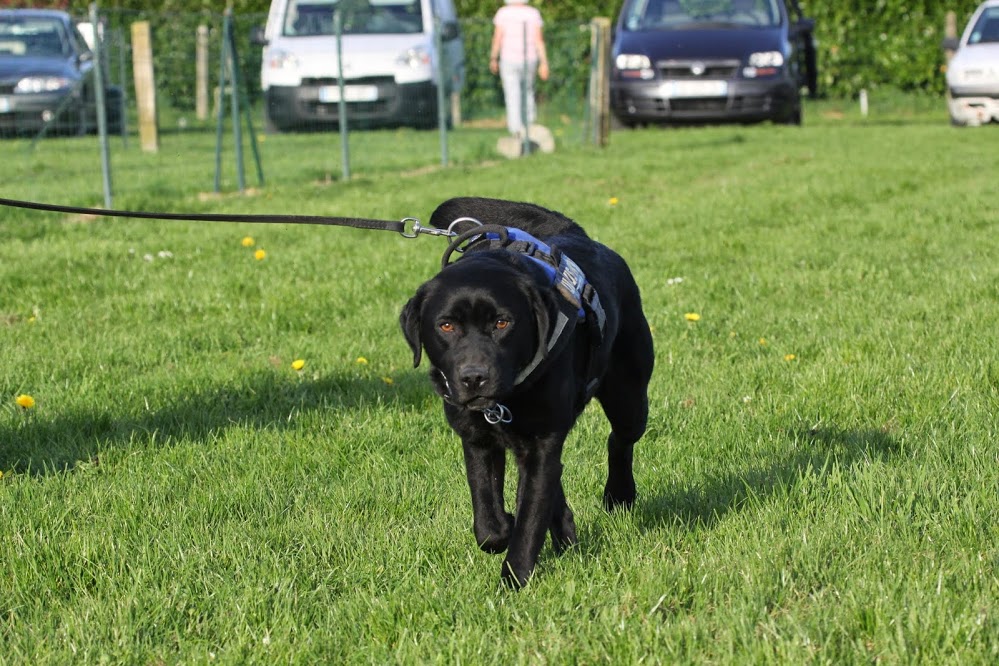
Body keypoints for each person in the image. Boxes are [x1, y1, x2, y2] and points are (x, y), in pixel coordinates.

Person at [489, 0, 549, 139]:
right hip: (529, 59)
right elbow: (539, 40)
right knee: (527, 92)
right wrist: (544, 62)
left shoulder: (503, 13)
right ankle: (529, 126)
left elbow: (497, 38)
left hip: (509, 59)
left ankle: (516, 130)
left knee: (512, 94)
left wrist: (493, 58)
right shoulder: (533, 14)